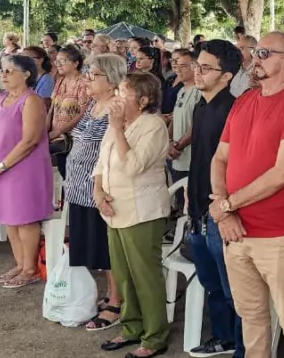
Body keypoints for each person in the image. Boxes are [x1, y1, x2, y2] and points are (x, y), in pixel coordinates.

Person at [208, 32, 284, 358]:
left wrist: (227, 204)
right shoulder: (243, 101)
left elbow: (282, 174)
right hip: (236, 231)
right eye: (255, 51)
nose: (256, 58)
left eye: (265, 52)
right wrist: (225, 211)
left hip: (278, 234)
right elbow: (220, 158)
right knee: (251, 319)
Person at [94, 72, 171, 358]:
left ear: (143, 100)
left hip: (141, 210)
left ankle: (154, 337)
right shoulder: (119, 123)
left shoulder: (152, 125)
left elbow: (133, 166)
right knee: (124, 275)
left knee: (145, 276)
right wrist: (98, 191)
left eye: (124, 94)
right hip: (114, 209)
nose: (116, 100)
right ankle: (131, 327)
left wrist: (116, 128)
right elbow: (101, 161)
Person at [186, 40, 245, 357]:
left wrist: (224, 208)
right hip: (197, 207)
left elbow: (234, 166)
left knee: (234, 286)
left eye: (205, 68)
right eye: (197, 65)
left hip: (220, 210)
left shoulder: (233, 110)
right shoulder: (201, 105)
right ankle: (223, 337)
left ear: (226, 76)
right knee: (211, 282)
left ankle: (243, 344)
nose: (197, 72)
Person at [0, 54, 53, 289]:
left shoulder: (32, 100)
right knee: (9, 219)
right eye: (2, 70)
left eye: (9, 71)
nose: (4, 75)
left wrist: (1, 166)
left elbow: (30, 140)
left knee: (25, 219)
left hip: (22, 169)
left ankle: (30, 268)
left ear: (27, 74)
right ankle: (20, 264)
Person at [64, 54, 125, 332]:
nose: (88, 77)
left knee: (106, 249)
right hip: (78, 188)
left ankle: (117, 301)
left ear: (112, 80)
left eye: (95, 74)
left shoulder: (117, 107)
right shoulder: (93, 104)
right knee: (93, 248)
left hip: (99, 190)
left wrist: (99, 188)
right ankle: (111, 294)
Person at [49, 45, 89, 178]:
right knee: (62, 171)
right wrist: (45, 131)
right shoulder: (60, 81)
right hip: (57, 137)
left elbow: (82, 112)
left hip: (74, 138)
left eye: (63, 61)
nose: (58, 64)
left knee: (74, 175)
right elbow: (52, 109)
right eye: (57, 61)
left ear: (75, 63)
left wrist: (60, 131)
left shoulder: (83, 82)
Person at [167, 49, 201, 185]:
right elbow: (175, 118)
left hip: (190, 159)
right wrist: (169, 141)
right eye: (176, 66)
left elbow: (197, 124)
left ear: (194, 67)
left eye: (183, 66)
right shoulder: (181, 90)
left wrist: (178, 146)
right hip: (177, 158)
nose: (178, 70)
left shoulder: (199, 91)